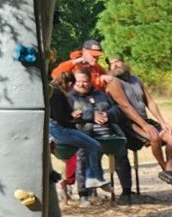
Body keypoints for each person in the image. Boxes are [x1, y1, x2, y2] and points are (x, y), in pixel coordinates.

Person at [103, 53, 172, 188]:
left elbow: (150, 102)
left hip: (145, 119)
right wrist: (144, 125)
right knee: (154, 137)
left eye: (117, 61)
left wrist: (163, 122)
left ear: (124, 62)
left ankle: (169, 168)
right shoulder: (113, 82)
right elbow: (125, 106)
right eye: (112, 64)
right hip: (128, 123)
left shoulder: (136, 80)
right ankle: (164, 169)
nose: (115, 65)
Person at [48, 65, 125, 202]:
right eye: (77, 83)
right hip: (61, 131)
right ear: (71, 83)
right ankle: (88, 185)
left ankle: (93, 179)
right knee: (89, 148)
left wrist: (78, 116)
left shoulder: (60, 92)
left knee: (93, 146)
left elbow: (65, 116)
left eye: (85, 81)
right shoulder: (61, 94)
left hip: (67, 128)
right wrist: (84, 116)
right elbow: (62, 118)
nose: (81, 85)